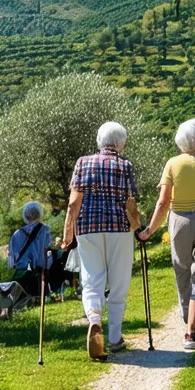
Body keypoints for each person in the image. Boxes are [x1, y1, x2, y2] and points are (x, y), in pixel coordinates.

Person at [138, 119, 195, 350]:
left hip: (180, 220)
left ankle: (186, 314)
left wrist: (149, 230)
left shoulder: (173, 163)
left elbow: (163, 203)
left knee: (181, 268)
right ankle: (191, 330)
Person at [62, 122, 140, 359]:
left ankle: (94, 319)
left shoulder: (82, 162)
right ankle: (115, 339)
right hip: (119, 229)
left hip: (88, 228)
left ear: (100, 141)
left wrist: (67, 234)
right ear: (121, 143)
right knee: (119, 283)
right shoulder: (125, 165)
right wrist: (138, 228)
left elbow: (73, 203)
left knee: (91, 280)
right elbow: (130, 203)